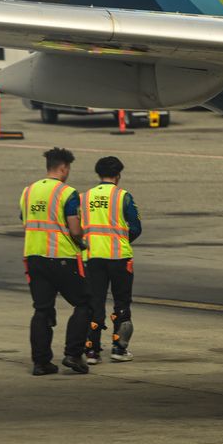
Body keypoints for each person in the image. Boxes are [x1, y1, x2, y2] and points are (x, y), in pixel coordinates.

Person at [20, 147, 91, 376]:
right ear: (64, 168)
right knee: (84, 304)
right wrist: (82, 240)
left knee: (42, 310)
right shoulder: (67, 193)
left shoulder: (28, 191)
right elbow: (74, 228)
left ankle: (41, 362)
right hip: (62, 258)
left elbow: (25, 219)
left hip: (34, 257)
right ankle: (73, 354)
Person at [81, 156, 142, 364]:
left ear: (99, 174)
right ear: (118, 175)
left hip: (92, 257)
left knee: (94, 303)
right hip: (119, 257)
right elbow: (136, 227)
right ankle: (119, 348)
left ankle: (91, 351)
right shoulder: (123, 196)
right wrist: (122, 240)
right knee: (122, 304)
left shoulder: (84, 197)